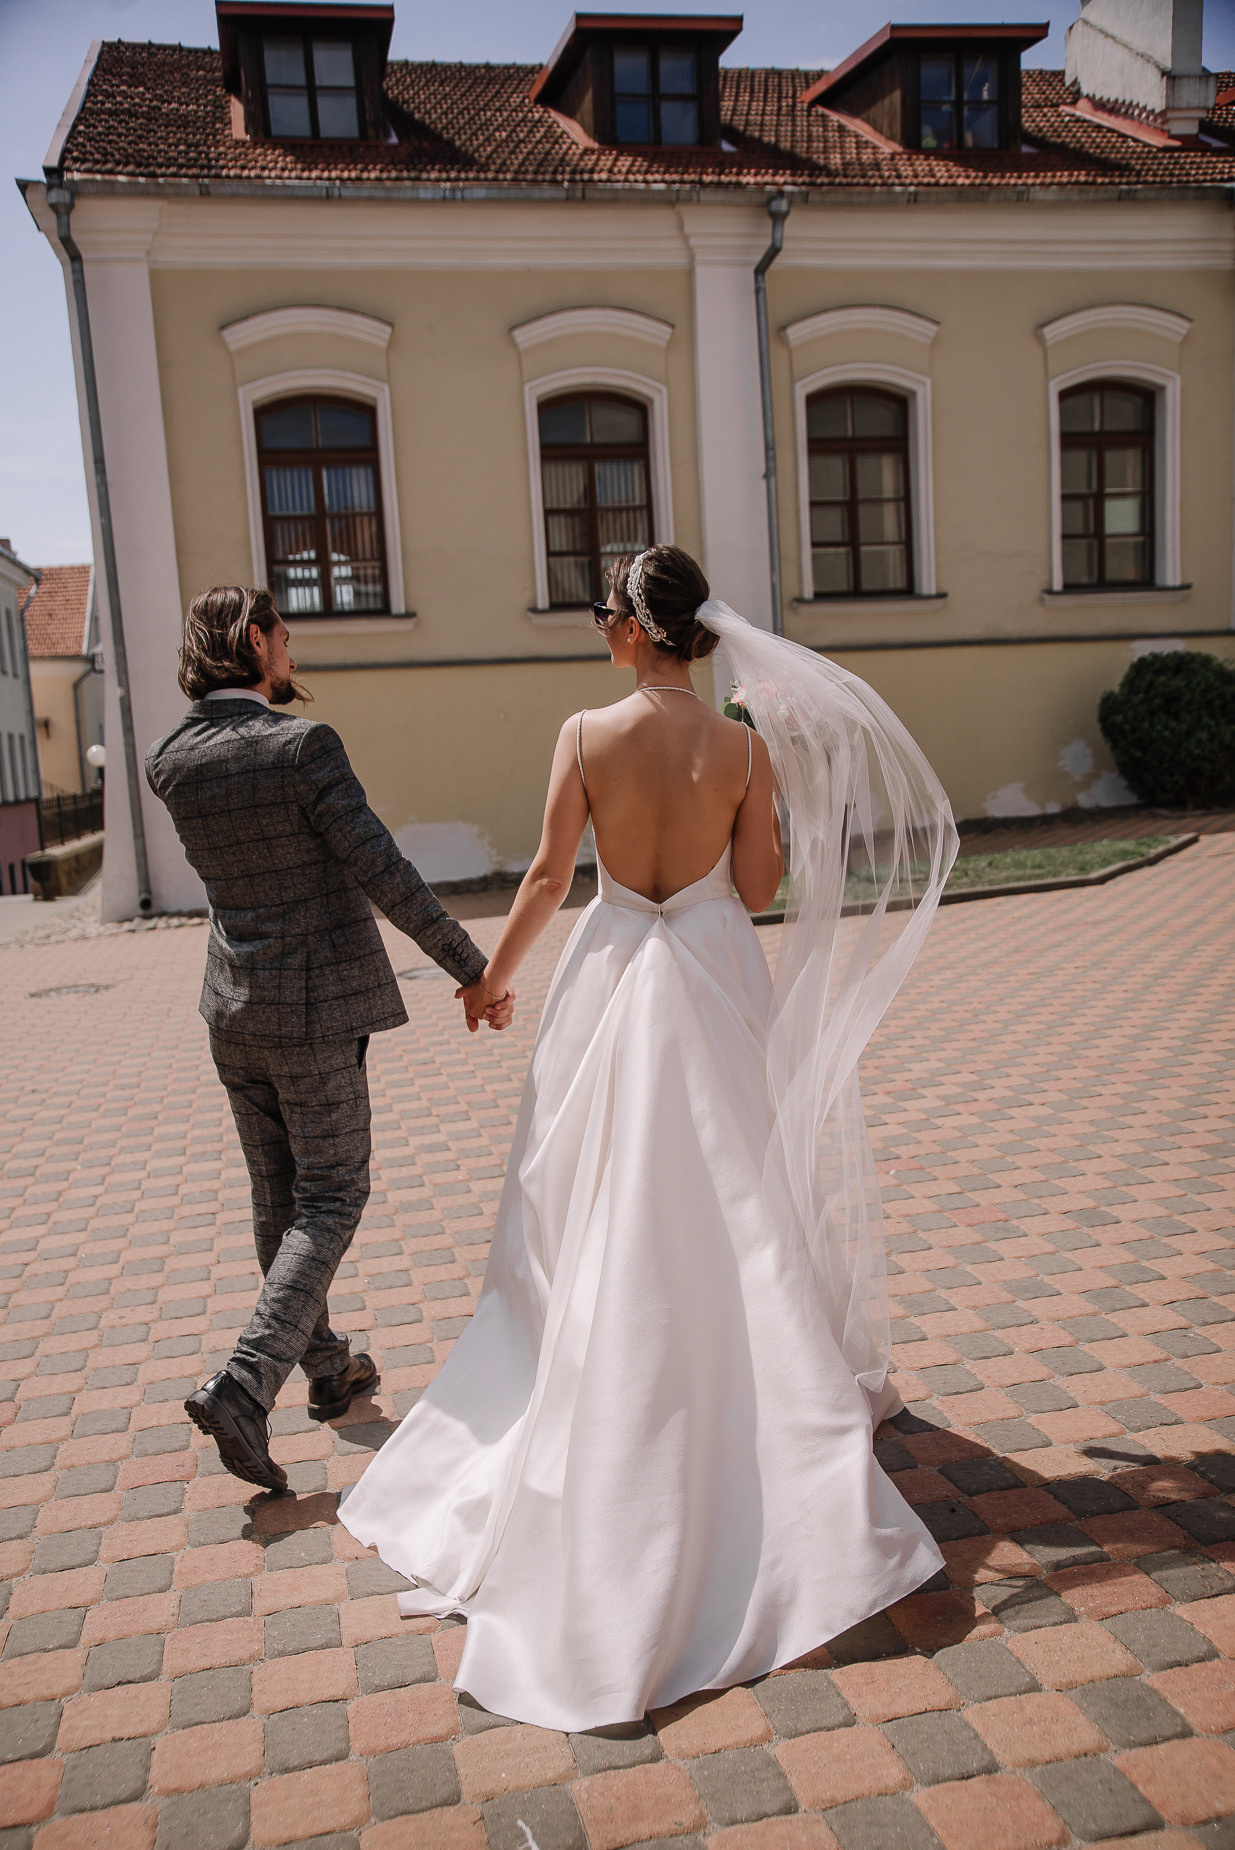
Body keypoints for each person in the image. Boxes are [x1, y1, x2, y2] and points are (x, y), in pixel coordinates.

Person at [339, 545, 959, 1730]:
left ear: (632, 628)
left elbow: (542, 876)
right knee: (738, 1195)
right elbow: (762, 884)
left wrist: (488, 981)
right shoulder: (741, 745)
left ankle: (606, 1385)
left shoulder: (582, 734)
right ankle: (754, 1390)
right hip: (716, 971)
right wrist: (761, 792)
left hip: (615, 973)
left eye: (603, 612)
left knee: (585, 1192)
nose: (597, 627)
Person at [145, 586, 513, 1493]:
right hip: (312, 1012)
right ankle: (245, 1383)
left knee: (279, 1203)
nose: (293, 651)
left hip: (232, 1010)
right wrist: (472, 968)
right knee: (332, 1195)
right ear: (254, 643)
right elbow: (380, 867)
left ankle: (325, 1366)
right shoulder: (302, 747)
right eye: (283, 636)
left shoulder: (171, 761)